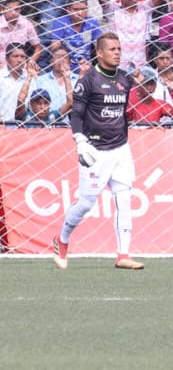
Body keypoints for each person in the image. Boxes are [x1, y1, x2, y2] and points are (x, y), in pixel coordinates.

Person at [51, 33, 144, 271]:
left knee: (124, 198)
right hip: (95, 150)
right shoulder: (88, 80)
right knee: (86, 203)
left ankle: (123, 254)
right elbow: (76, 114)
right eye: (112, 49)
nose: (117, 52)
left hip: (121, 148)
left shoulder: (125, 79)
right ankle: (62, 240)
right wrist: (80, 140)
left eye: (119, 48)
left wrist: (141, 84)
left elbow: (125, 111)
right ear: (99, 53)